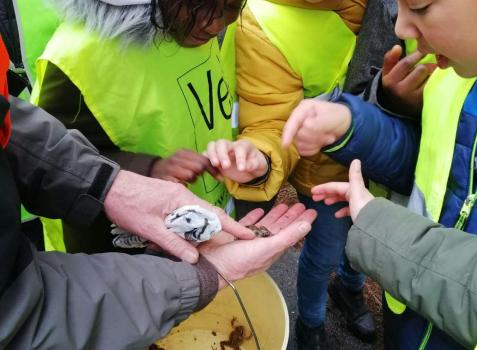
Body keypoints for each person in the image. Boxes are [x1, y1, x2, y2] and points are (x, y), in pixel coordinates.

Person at [0, 35, 317, 349]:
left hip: (179, 229)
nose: (214, 21)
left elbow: (13, 128)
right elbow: (23, 318)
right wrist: (207, 277)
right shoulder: (75, 62)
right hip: (103, 253)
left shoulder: (214, 36)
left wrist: (108, 184)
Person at [281, 0, 477, 348]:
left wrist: (380, 226)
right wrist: (355, 127)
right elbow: (432, 162)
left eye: (420, 6)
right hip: (408, 317)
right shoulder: (462, 71)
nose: (399, 28)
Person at [26, 0, 245, 253]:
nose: (215, 25)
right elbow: (49, 161)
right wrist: (147, 168)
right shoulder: (81, 57)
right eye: (198, 4)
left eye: (231, 6)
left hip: (200, 226)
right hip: (118, 258)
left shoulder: (190, 29)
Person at [314, 160, 477, 350]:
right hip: (407, 298)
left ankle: (344, 292)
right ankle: (313, 320)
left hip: (408, 266)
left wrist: (376, 223)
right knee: (324, 255)